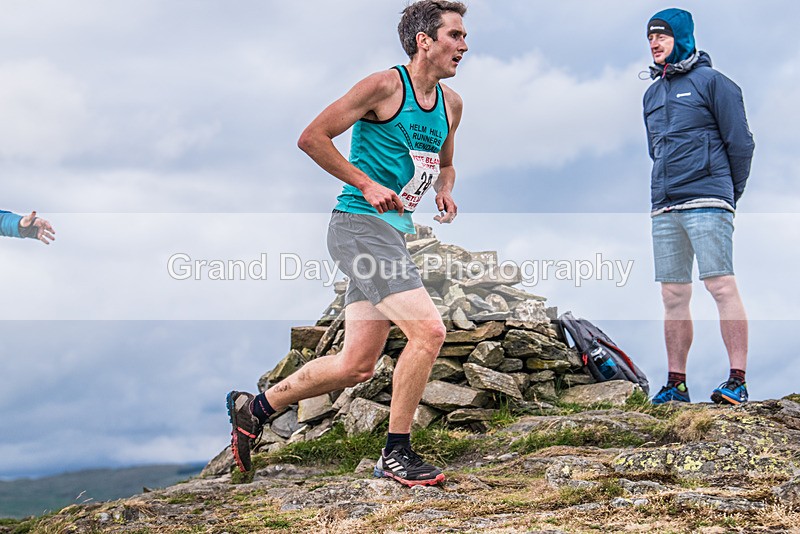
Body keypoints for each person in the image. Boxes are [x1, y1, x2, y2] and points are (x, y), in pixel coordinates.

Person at [227, 0, 468, 487]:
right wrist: (365, 183)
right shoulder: (383, 86)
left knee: (356, 364)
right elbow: (312, 137)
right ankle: (395, 454)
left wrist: (445, 189)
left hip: (393, 236)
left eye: (464, 37)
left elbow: (445, 163)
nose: (464, 45)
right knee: (429, 332)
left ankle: (255, 408)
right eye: (455, 36)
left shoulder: (451, 104)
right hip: (357, 227)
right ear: (425, 40)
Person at [644, 8, 755, 405]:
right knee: (673, 294)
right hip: (665, 205)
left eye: (662, 36)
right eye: (650, 38)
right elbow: (654, 151)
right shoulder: (651, 94)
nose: (654, 43)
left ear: (683, 37)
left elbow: (741, 144)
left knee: (720, 285)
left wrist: (728, 194)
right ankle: (676, 384)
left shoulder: (714, 83)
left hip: (708, 198)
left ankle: (737, 380)